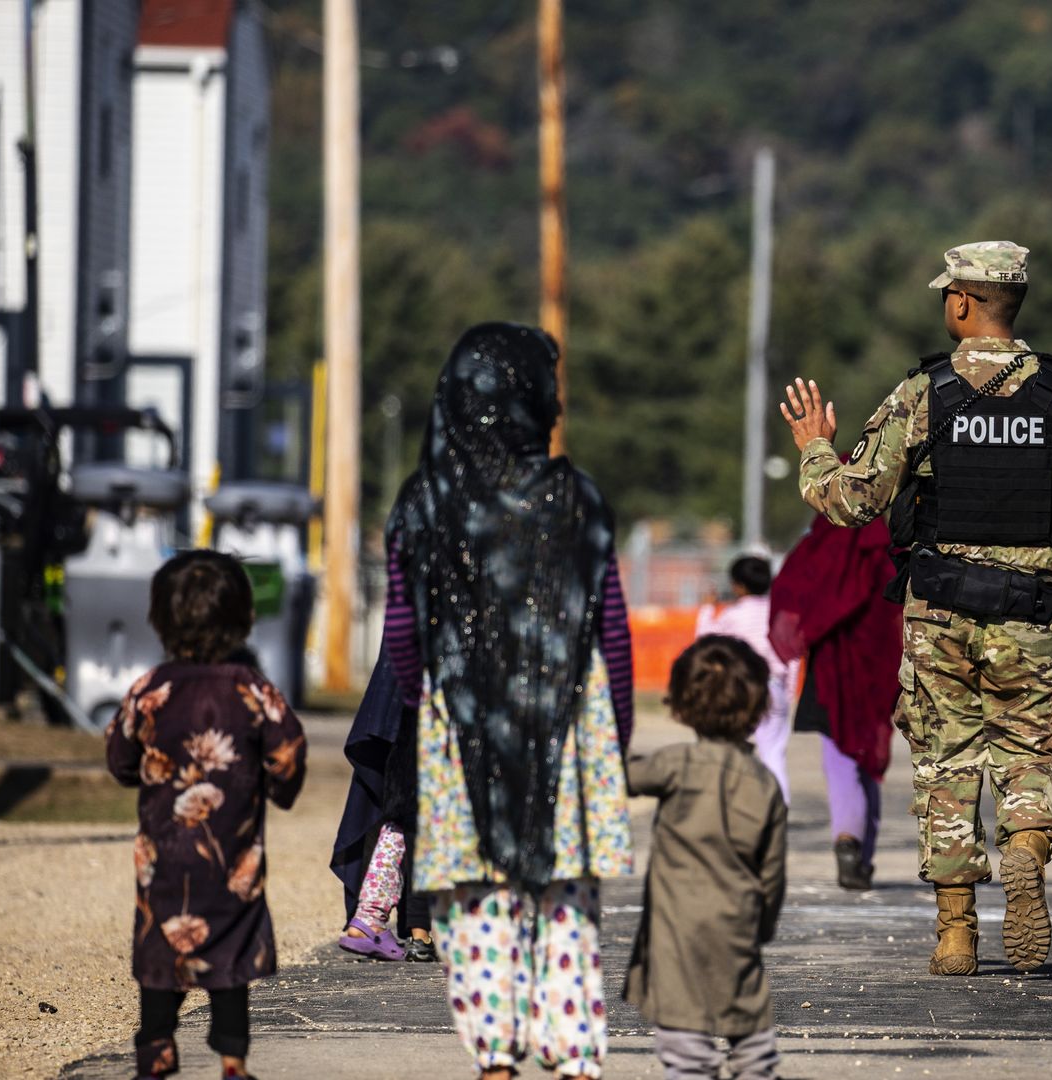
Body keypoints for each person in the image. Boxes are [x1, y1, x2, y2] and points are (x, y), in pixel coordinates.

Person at [780, 240, 1052, 975]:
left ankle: (956, 934)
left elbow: (851, 504)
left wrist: (815, 449)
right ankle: (1026, 848)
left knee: (945, 763)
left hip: (940, 615)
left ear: (960, 302)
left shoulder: (921, 395)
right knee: (1033, 753)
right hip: (1033, 616)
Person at [387, 323, 638, 1079]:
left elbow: (402, 633)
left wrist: (427, 710)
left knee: (475, 907)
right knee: (565, 906)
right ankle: (571, 1056)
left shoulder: (426, 501)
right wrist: (615, 735)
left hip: (459, 721)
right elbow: (611, 630)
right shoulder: (579, 498)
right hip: (569, 725)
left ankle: (494, 1061)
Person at [104, 550, 308, 1079]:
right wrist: (277, 788)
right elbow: (288, 754)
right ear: (242, 617)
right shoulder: (253, 689)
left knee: (160, 948)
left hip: (164, 861)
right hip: (231, 857)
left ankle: (156, 1051)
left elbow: (120, 756)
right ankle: (233, 1061)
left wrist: (141, 771)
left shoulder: (150, 690)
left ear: (159, 619)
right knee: (230, 956)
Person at [623, 636, 788, 1080]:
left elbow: (622, 775)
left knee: (686, 1047)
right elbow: (772, 872)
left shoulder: (674, 764)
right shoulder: (764, 784)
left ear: (680, 706)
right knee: (750, 1035)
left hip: (673, 935)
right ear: (759, 709)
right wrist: (762, 926)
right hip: (737, 928)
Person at [768, 514, 904, 892]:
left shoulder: (822, 544)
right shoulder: (888, 548)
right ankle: (863, 855)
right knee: (868, 755)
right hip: (878, 666)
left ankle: (846, 837)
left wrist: (806, 632)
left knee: (839, 755)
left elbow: (792, 590)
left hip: (831, 666)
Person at [330, 653, 434, 962]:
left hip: (401, 690)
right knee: (418, 806)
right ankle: (408, 927)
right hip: (426, 692)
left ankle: (375, 916)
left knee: (402, 807)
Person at [695, 556, 796, 798]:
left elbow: (705, 642)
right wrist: (788, 692)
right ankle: (779, 805)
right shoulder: (780, 615)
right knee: (773, 753)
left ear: (737, 586)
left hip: (742, 688)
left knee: (731, 748)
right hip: (775, 687)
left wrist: (708, 609)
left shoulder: (733, 615)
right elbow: (793, 657)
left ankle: (732, 802)